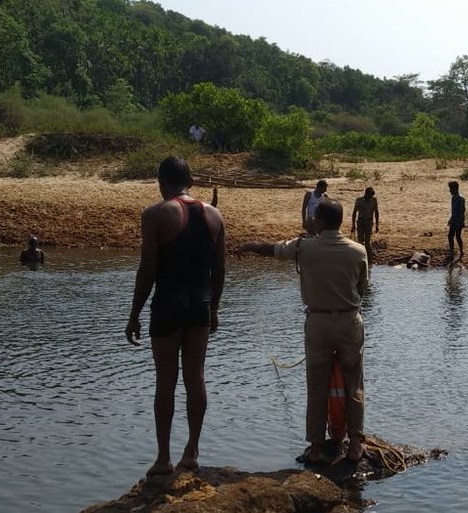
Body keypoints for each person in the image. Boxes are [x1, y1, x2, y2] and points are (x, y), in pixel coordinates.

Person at [235, 199, 369, 464]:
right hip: (349, 321)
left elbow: (272, 249)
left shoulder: (303, 247)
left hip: (317, 322)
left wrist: (250, 245)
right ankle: (355, 443)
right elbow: (362, 287)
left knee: (316, 385)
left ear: (319, 221)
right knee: (354, 382)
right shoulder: (358, 250)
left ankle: (316, 447)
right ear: (341, 220)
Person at [125, 157, 226, 476]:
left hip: (168, 303)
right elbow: (220, 270)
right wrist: (214, 308)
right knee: (196, 377)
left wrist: (134, 313)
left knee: (165, 381)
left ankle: (163, 459)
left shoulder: (155, 214)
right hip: (200, 304)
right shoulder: (215, 215)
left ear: (162, 182)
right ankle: (192, 451)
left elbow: (148, 269)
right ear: (190, 182)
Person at [351, 187, 380, 254]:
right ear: (366, 194)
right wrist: (353, 225)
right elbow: (354, 212)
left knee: (367, 241)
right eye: (370, 195)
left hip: (369, 222)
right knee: (360, 241)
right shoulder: (359, 200)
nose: (370, 197)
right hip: (360, 221)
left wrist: (377, 225)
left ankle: (368, 256)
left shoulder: (374, 200)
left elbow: (376, 212)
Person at [447, 181, 466, 264]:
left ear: (455, 189)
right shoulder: (453, 198)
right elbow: (453, 211)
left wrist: (461, 221)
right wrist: (451, 219)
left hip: (458, 221)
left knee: (458, 236)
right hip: (454, 220)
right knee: (450, 236)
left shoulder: (461, 199)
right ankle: (451, 251)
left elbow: (462, 211)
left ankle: (461, 251)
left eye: (451, 189)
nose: (450, 191)